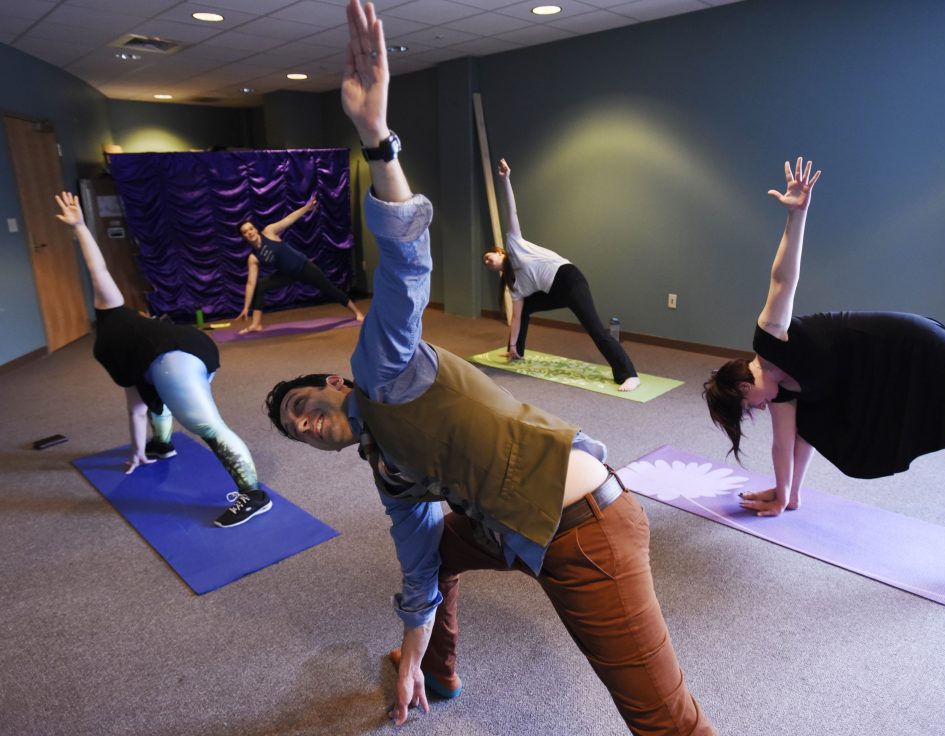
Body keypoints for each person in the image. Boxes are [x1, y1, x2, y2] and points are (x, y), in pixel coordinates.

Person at [263, 3, 717, 732]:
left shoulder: (380, 371)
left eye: (304, 404)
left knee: (662, 718)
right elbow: (416, 573)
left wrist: (378, 142)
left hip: (584, 527)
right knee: (437, 555)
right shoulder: (389, 471)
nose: (308, 422)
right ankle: (438, 673)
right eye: (298, 430)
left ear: (333, 384)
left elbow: (408, 265)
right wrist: (412, 658)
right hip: (508, 526)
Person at [702, 157, 945, 598]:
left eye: (748, 405)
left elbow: (782, 278)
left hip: (927, 354)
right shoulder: (780, 390)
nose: (756, 409)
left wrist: (797, 215)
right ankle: (790, 494)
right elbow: (788, 443)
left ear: (744, 384)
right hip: (883, 375)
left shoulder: (772, 335)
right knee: (811, 423)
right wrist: (784, 495)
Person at [55, 191, 272, 529]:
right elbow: (140, 405)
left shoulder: (109, 314)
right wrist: (140, 450)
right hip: (194, 347)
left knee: (207, 426)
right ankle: (163, 445)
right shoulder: (122, 327)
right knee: (160, 399)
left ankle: (255, 496)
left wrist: (81, 226)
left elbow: (97, 268)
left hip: (175, 359)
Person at [482, 158, 641, 391]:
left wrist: (506, 180)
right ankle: (517, 352)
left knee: (594, 328)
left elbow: (512, 211)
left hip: (569, 279)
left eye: (488, 256)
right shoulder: (514, 285)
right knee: (524, 308)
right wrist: (513, 343)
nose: (487, 261)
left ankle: (629, 374)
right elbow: (516, 317)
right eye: (485, 263)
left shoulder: (515, 244)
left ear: (499, 252)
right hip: (553, 291)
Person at [236, 194, 364, 333]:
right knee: (261, 286)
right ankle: (256, 324)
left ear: (255, 229)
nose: (249, 232)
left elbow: (289, 219)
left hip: (303, 266)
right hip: (286, 274)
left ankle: (357, 312)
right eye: (245, 232)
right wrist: (245, 307)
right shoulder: (253, 258)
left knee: (329, 289)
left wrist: (307, 207)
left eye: (250, 229)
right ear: (244, 237)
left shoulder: (269, 232)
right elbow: (251, 283)